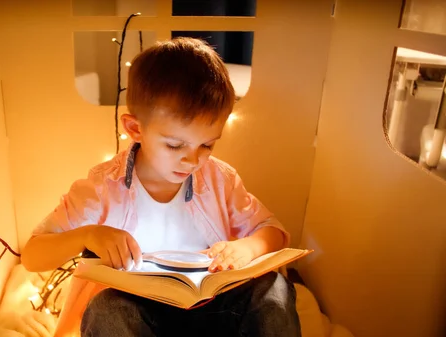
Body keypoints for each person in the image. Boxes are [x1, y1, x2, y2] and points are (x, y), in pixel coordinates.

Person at [22, 37, 300, 337]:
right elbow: (33, 255)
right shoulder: (103, 187)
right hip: (141, 316)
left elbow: (273, 232)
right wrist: (88, 235)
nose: (193, 160)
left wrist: (248, 247)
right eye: (175, 145)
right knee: (107, 310)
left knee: (274, 289)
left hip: (215, 308)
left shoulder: (220, 179)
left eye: (207, 144)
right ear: (135, 129)